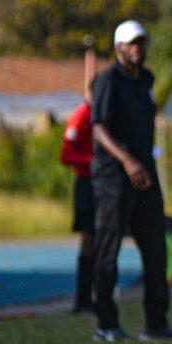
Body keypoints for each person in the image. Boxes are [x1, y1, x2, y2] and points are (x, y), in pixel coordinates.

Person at [90, 19, 172, 342]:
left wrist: (141, 163)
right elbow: (98, 128)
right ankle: (106, 324)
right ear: (118, 48)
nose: (137, 48)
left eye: (141, 42)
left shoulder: (147, 80)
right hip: (114, 177)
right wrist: (126, 160)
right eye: (131, 43)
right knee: (108, 250)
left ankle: (156, 323)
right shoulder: (107, 81)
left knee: (156, 249)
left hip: (145, 175)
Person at [60, 97, 96, 313]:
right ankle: (83, 300)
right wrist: (92, 161)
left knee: (103, 240)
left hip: (104, 183)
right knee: (89, 240)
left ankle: (97, 296)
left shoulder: (105, 112)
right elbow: (66, 154)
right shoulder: (81, 116)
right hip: (87, 184)